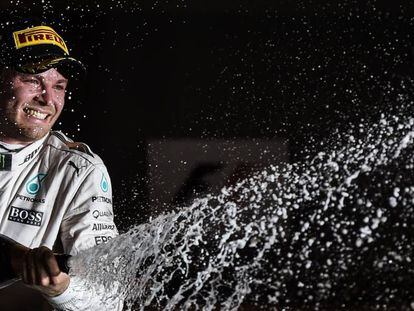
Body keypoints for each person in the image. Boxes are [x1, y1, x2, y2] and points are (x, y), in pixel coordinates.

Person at [0, 18, 121, 310]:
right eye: (32, 81)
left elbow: (110, 299)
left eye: (59, 86)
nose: (48, 99)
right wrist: (17, 259)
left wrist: (61, 288)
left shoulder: (78, 170)